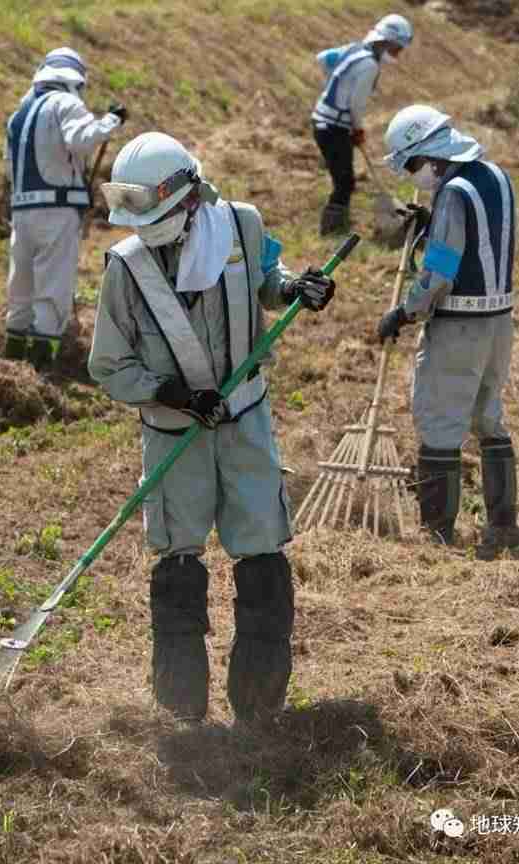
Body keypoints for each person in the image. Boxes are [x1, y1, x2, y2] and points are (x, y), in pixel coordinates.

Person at [88, 132, 336, 724]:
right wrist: (169, 392)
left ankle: (259, 705)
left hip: (244, 423)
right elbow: (108, 363)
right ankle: (181, 712)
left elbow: (266, 276)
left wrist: (295, 288)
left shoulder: (241, 226)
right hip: (176, 434)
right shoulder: (125, 269)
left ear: (190, 197)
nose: (146, 231)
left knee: (261, 549)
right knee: (177, 557)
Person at [378, 104, 517, 545]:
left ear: (431, 154)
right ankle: (502, 522)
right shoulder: (496, 176)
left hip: (459, 325)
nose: (414, 176)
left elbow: (440, 271)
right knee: (489, 417)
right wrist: (430, 225)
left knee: (439, 420)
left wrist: (404, 312)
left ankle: (436, 533)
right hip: (500, 323)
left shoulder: (453, 192)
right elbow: (481, 240)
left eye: (413, 166)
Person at [0, 47, 128, 369]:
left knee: (22, 286)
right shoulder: (65, 103)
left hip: (21, 212)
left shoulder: (18, 115)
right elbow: (82, 139)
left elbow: (8, 165)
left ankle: (13, 357)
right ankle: (44, 366)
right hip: (55, 212)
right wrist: (113, 120)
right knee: (52, 286)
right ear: (75, 79)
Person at [311, 13, 413, 236]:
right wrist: (357, 129)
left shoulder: (354, 49)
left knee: (344, 177)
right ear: (385, 42)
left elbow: (323, 58)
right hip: (333, 127)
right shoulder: (370, 66)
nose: (396, 54)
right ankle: (331, 232)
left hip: (323, 121)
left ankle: (338, 227)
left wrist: (333, 86)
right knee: (345, 181)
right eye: (396, 49)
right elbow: (356, 103)